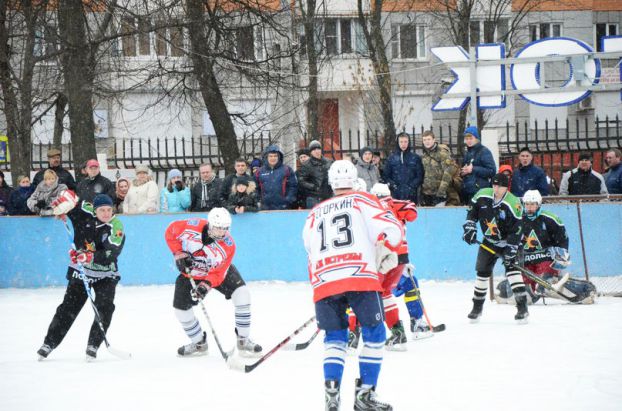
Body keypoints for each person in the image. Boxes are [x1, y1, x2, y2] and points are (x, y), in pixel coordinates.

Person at [302, 160, 402, 411]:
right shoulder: (364, 200)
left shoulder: (314, 213)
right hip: (360, 278)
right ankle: (365, 395)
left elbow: (308, 247)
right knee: (375, 333)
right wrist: (382, 245)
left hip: (325, 281)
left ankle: (332, 395)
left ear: (331, 182)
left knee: (334, 338)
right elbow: (394, 232)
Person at [37, 193, 126, 361]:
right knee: (68, 308)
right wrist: (63, 211)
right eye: (102, 210)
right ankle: (49, 343)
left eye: (109, 210)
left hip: (106, 274)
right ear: (95, 210)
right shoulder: (86, 212)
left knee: (105, 307)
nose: (106, 213)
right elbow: (72, 201)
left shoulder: (116, 226)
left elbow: (112, 252)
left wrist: (91, 256)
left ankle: (93, 344)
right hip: (82, 270)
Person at [164, 208, 262, 357]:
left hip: (218, 272)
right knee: (181, 311)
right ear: (210, 224)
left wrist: (205, 286)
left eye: (224, 229)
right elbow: (170, 231)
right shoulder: (191, 226)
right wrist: (179, 253)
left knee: (242, 294)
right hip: (191, 273)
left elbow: (218, 273)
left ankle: (243, 340)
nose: (220, 233)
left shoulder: (228, 245)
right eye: (217, 228)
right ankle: (199, 343)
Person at [497, 190, 596, 304]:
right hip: (524, 261)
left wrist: (561, 255)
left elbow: (562, 240)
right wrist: (507, 254)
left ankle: (584, 291)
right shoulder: (518, 219)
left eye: (532, 204)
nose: (529, 207)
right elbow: (508, 240)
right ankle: (509, 288)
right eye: (527, 204)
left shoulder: (550, 219)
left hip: (545, 260)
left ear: (538, 205)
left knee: (547, 284)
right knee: (523, 296)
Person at [462, 172, 529, 322]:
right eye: (494, 185)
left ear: (507, 187)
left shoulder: (514, 203)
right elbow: (472, 213)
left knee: (513, 273)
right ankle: (477, 308)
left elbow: (518, 228)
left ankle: (522, 308)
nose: (496, 188)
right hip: (489, 241)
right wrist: (469, 229)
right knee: (482, 272)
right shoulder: (482, 195)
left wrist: (511, 249)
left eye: (499, 186)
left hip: (510, 242)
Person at [420, 130, 461, 206]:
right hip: (429, 194)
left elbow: (448, 173)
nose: (427, 142)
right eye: (424, 140)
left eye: (429, 139)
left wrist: (441, 193)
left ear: (434, 140)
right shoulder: (425, 155)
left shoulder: (442, 153)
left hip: (443, 194)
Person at [383, 132, 424, 204]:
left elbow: (420, 176)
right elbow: (386, 176)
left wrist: (411, 187)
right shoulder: (391, 158)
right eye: (401, 142)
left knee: (411, 214)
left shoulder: (415, 158)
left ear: (409, 142)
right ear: (398, 143)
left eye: (405, 141)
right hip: (396, 195)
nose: (403, 144)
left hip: (411, 195)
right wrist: (393, 186)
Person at [254, 145, 297, 210]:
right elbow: (254, 188)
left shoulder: (287, 169)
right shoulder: (259, 172)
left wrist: (288, 200)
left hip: (283, 207)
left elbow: (293, 186)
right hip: (265, 208)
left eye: (275, 156)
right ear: (266, 157)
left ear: (279, 157)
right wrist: (258, 201)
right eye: (270, 156)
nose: (273, 158)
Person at [460, 126, 496, 204]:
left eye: (471, 138)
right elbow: (464, 170)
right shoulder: (467, 153)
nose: (468, 141)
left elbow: (492, 171)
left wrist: (473, 169)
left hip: (480, 192)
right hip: (467, 192)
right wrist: (463, 172)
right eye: (466, 139)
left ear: (476, 138)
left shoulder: (484, 151)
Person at [297, 139, 333, 208]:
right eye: (314, 149)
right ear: (311, 152)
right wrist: (313, 187)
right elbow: (301, 180)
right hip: (313, 198)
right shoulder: (306, 165)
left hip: (328, 196)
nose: (317, 151)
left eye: (318, 148)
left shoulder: (329, 162)